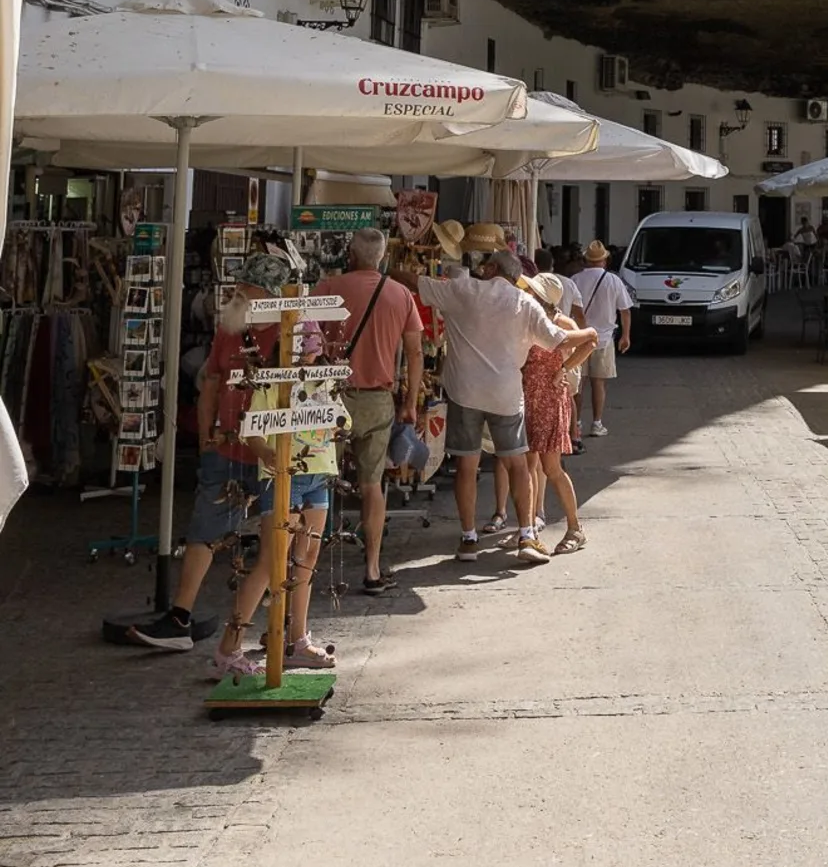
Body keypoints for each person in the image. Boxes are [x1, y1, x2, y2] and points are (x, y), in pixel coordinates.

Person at [128, 255, 334, 669]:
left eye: (251, 291)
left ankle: (287, 634)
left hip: (285, 457)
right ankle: (186, 618)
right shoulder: (231, 327)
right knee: (216, 531)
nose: (242, 296)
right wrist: (206, 435)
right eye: (242, 289)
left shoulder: (297, 327)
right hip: (235, 450)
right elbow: (211, 381)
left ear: (273, 297)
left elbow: (315, 388)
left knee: (285, 551)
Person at [413, 245, 565, 563]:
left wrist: (384, 273)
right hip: (506, 394)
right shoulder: (525, 303)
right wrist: (589, 334)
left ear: (492, 269)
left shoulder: (464, 290)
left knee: (466, 467)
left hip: (465, 392)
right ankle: (526, 535)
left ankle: (468, 539)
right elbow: (554, 340)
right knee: (517, 465)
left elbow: (415, 283)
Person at [315, 227, 423, 594]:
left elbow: (305, 338)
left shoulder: (329, 287)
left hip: (331, 396)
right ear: (382, 257)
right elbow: (415, 352)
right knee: (371, 485)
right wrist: (410, 402)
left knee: (316, 481)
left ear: (351, 253)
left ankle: (306, 567)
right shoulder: (400, 294)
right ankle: (373, 569)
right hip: (378, 398)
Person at [521, 272, 599, 551]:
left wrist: (564, 369)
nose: (526, 293)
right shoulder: (529, 319)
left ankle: (575, 528)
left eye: (532, 291)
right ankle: (527, 530)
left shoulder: (559, 323)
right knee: (528, 465)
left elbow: (591, 341)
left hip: (549, 399)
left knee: (551, 467)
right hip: (528, 396)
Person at [566, 240, 630, 438]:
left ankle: (576, 423)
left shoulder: (575, 279)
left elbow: (569, 308)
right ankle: (597, 423)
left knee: (578, 384)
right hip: (603, 339)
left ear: (586, 260)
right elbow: (625, 311)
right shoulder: (613, 281)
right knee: (599, 383)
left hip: (579, 338)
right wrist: (626, 336)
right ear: (604, 260)